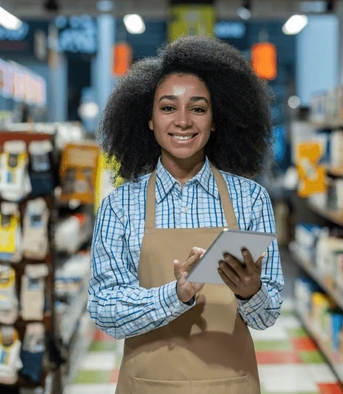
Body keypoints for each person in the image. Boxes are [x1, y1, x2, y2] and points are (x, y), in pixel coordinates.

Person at [88, 35, 284, 394]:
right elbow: (104, 310)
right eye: (167, 108)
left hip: (231, 385)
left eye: (197, 108)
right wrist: (175, 295)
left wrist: (251, 292)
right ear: (147, 119)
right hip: (147, 385)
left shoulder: (251, 199)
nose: (182, 121)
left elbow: (267, 317)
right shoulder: (119, 206)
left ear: (215, 119)